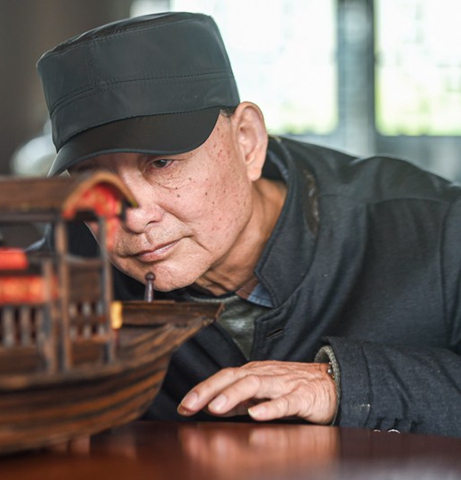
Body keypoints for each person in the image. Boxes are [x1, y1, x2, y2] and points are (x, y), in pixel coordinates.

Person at [34, 11, 461, 436]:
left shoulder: (433, 227)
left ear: (247, 141)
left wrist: (341, 386)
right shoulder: (68, 258)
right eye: (92, 179)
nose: (131, 215)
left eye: (162, 162)